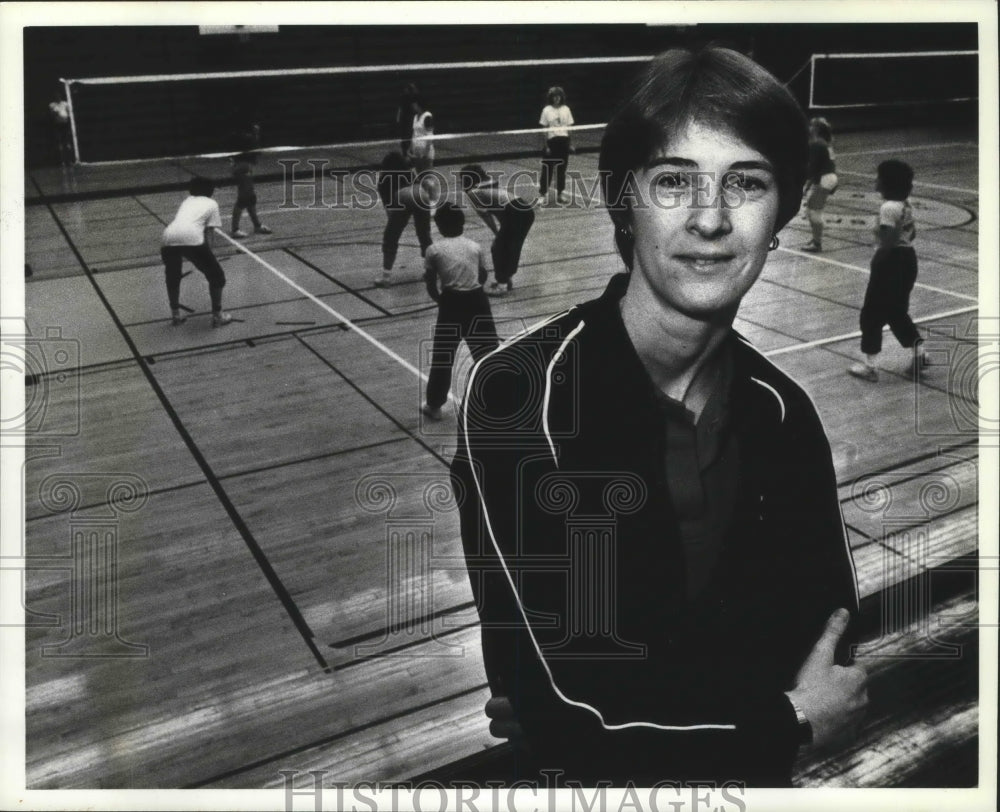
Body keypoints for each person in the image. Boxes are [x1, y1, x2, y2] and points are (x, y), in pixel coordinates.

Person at [451, 45, 867, 787]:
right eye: (674, 181)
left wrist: (614, 709)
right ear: (622, 200)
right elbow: (568, 716)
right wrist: (787, 719)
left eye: (747, 182)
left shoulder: (784, 414)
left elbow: (826, 641)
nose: (710, 218)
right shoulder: (520, 394)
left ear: (784, 212)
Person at [848, 159, 926, 382]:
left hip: (891, 261)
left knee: (871, 313)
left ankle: (870, 367)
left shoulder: (888, 208)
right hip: (908, 259)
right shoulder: (905, 205)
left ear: (886, 182)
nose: (876, 180)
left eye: (878, 177)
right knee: (896, 311)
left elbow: (888, 242)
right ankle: (920, 353)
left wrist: (878, 262)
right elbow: (912, 235)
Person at [421, 201, 499, 420]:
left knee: (443, 355)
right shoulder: (474, 246)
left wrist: (442, 300)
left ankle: (434, 405)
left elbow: (430, 283)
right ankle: (497, 399)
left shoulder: (433, 250)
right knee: (487, 353)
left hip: (452, 304)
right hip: (478, 302)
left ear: (439, 225)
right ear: (463, 223)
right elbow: (482, 276)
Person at [160, 176, 233, 328]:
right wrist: (210, 259)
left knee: (173, 275)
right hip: (191, 238)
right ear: (210, 190)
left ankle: (176, 316)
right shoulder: (212, 203)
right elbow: (209, 233)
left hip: (167, 237)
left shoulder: (187, 201)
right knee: (217, 277)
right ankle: (218, 316)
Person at [458, 164, 536, 296]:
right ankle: (505, 280)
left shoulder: (473, 192)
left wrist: (496, 232)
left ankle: (502, 285)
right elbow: (500, 210)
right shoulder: (488, 185)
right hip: (524, 210)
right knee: (510, 247)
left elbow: (486, 216)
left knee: (498, 248)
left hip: (516, 213)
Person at [375, 152, 438, 288]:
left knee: (391, 237)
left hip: (403, 196)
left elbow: (389, 210)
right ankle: (430, 272)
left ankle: (386, 277)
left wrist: (395, 225)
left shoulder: (383, 180)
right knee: (424, 235)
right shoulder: (410, 173)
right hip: (421, 194)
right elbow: (426, 185)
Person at [800, 117, 838, 252]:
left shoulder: (817, 144)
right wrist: (809, 185)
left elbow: (812, 168)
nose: (809, 128)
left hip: (824, 179)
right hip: (827, 178)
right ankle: (816, 240)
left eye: (812, 126)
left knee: (813, 212)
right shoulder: (825, 143)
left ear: (816, 129)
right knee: (812, 210)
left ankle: (817, 243)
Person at [537, 86, 575, 205]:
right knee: (547, 169)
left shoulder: (566, 109)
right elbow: (544, 129)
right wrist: (546, 146)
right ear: (551, 98)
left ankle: (560, 194)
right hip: (551, 142)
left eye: (558, 96)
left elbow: (569, 128)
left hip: (563, 142)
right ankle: (542, 194)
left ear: (561, 97)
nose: (556, 99)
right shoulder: (546, 110)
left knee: (561, 170)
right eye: (554, 97)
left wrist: (571, 143)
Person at [230, 150, 272, 238]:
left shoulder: (247, 164)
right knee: (242, 200)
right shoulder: (244, 165)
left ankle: (257, 226)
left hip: (243, 165)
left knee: (250, 199)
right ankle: (235, 230)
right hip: (242, 168)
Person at [408, 96, 435, 173]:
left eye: (414, 104)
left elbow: (430, 136)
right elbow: (414, 133)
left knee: (427, 177)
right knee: (420, 177)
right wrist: (410, 148)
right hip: (416, 152)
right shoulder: (415, 117)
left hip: (426, 153)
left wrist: (426, 153)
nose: (412, 106)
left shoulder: (427, 116)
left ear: (418, 105)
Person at [48, 88, 74, 166]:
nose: (57, 97)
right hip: (57, 125)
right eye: (56, 96)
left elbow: (69, 114)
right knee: (60, 144)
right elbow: (52, 115)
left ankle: (70, 161)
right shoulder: (52, 105)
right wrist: (55, 113)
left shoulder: (65, 104)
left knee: (68, 143)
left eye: (58, 95)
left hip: (65, 124)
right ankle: (62, 161)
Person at [396, 82, 420, 155]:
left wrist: (398, 118)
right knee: (409, 136)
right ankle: (408, 152)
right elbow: (414, 108)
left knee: (405, 137)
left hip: (404, 119)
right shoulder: (411, 98)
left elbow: (400, 109)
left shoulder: (404, 96)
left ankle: (406, 152)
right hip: (409, 119)